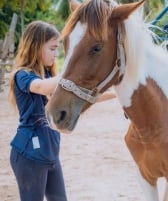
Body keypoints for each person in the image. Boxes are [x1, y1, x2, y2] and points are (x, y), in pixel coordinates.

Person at [8, 20, 115, 201]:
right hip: (29, 154)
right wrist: (70, 71)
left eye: (57, 48)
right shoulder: (23, 75)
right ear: (35, 46)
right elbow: (41, 87)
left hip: (50, 152)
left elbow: (80, 95)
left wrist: (117, 95)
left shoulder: (50, 76)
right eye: (52, 48)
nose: (55, 53)